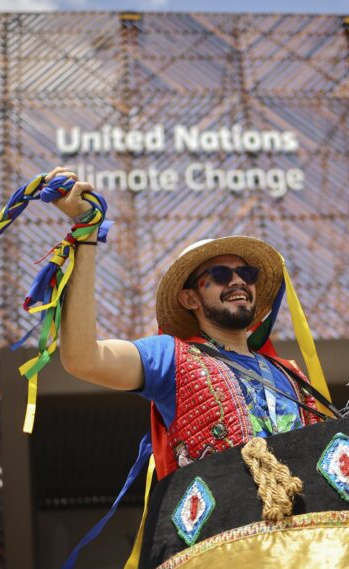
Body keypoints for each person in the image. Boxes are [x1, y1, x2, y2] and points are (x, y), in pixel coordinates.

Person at [49, 166, 327, 478]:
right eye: (220, 275)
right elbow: (84, 358)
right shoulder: (171, 357)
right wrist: (86, 232)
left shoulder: (290, 374)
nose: (238, 282)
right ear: (190, 299)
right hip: (225, 525)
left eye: (247, 274)